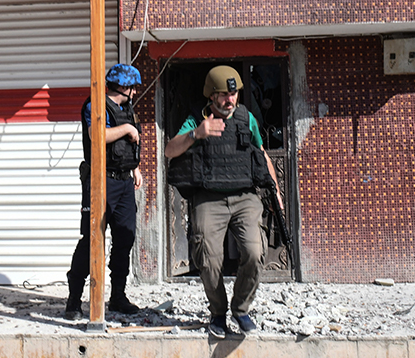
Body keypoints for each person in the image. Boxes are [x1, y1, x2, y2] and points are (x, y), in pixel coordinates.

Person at [165, 65, 278, 338]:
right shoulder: (196, 119)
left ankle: (241, 309)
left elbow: (261, 152)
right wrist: (197, 134)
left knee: (254, 251)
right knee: (208, 257)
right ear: (211, 96)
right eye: (224, 95)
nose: (231, 100)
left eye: (234, 93)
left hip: (244, 196)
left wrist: (276, 191)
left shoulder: (246, 118)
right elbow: (170, 150)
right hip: (209, 197)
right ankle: (218, 312)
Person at [65, 63, 144, 320]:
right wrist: (128, 130)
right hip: (100, 181)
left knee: (125, 238)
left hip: (123, 183)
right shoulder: (95, 105)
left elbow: (125, 147)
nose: (135, 93)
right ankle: (74, 302)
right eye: (132, 88)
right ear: (124, 86)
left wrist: (135, 168)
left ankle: (118, 297)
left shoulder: (125, 108)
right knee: (91, 241)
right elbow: (96, 134)